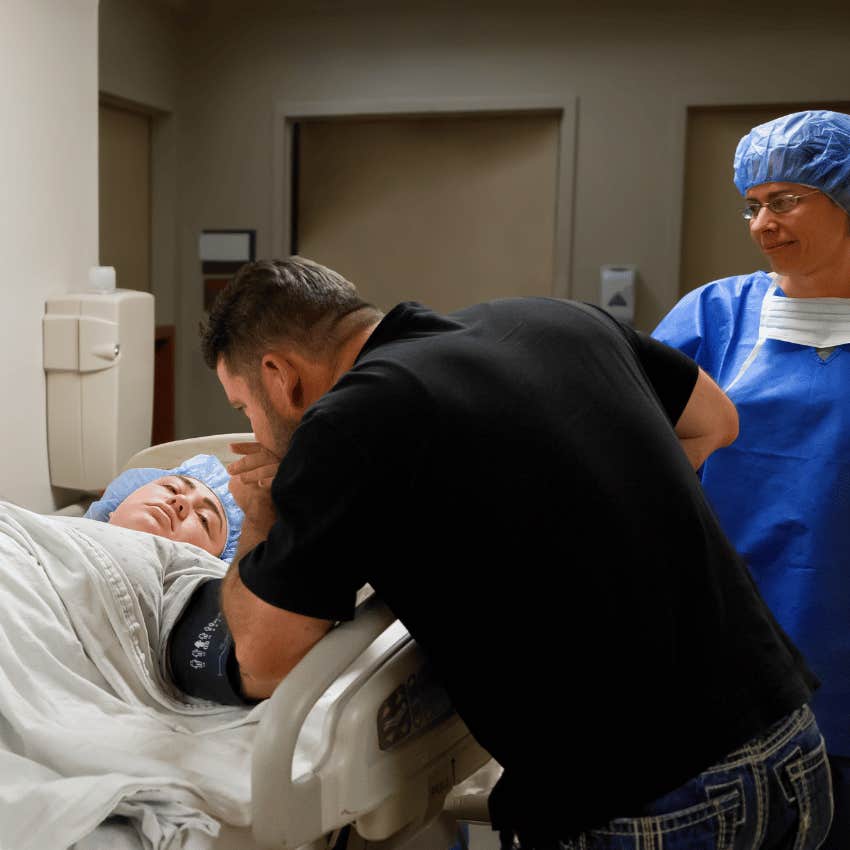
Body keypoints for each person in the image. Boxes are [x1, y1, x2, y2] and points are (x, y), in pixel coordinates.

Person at [202, 256, 831, 850]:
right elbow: (716, 422)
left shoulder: (344, 426)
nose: (252, 434)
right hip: (789, 743)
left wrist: (262, 516)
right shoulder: (559, 319)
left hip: (652, 804)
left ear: (281, 377)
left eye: (243, 409)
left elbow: (262, 661)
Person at [653, 109, 850, 850]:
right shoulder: (713, 316)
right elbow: (628, 450)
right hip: (731, 644)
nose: (764, 222)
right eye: (753, 204)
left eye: (787, 199)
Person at [86, 453, 251, 706]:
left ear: (211, 560)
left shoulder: (190, 594)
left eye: (205, 520)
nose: (180, 500)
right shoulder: (44, 529)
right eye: (170, 487)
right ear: (115, 505)